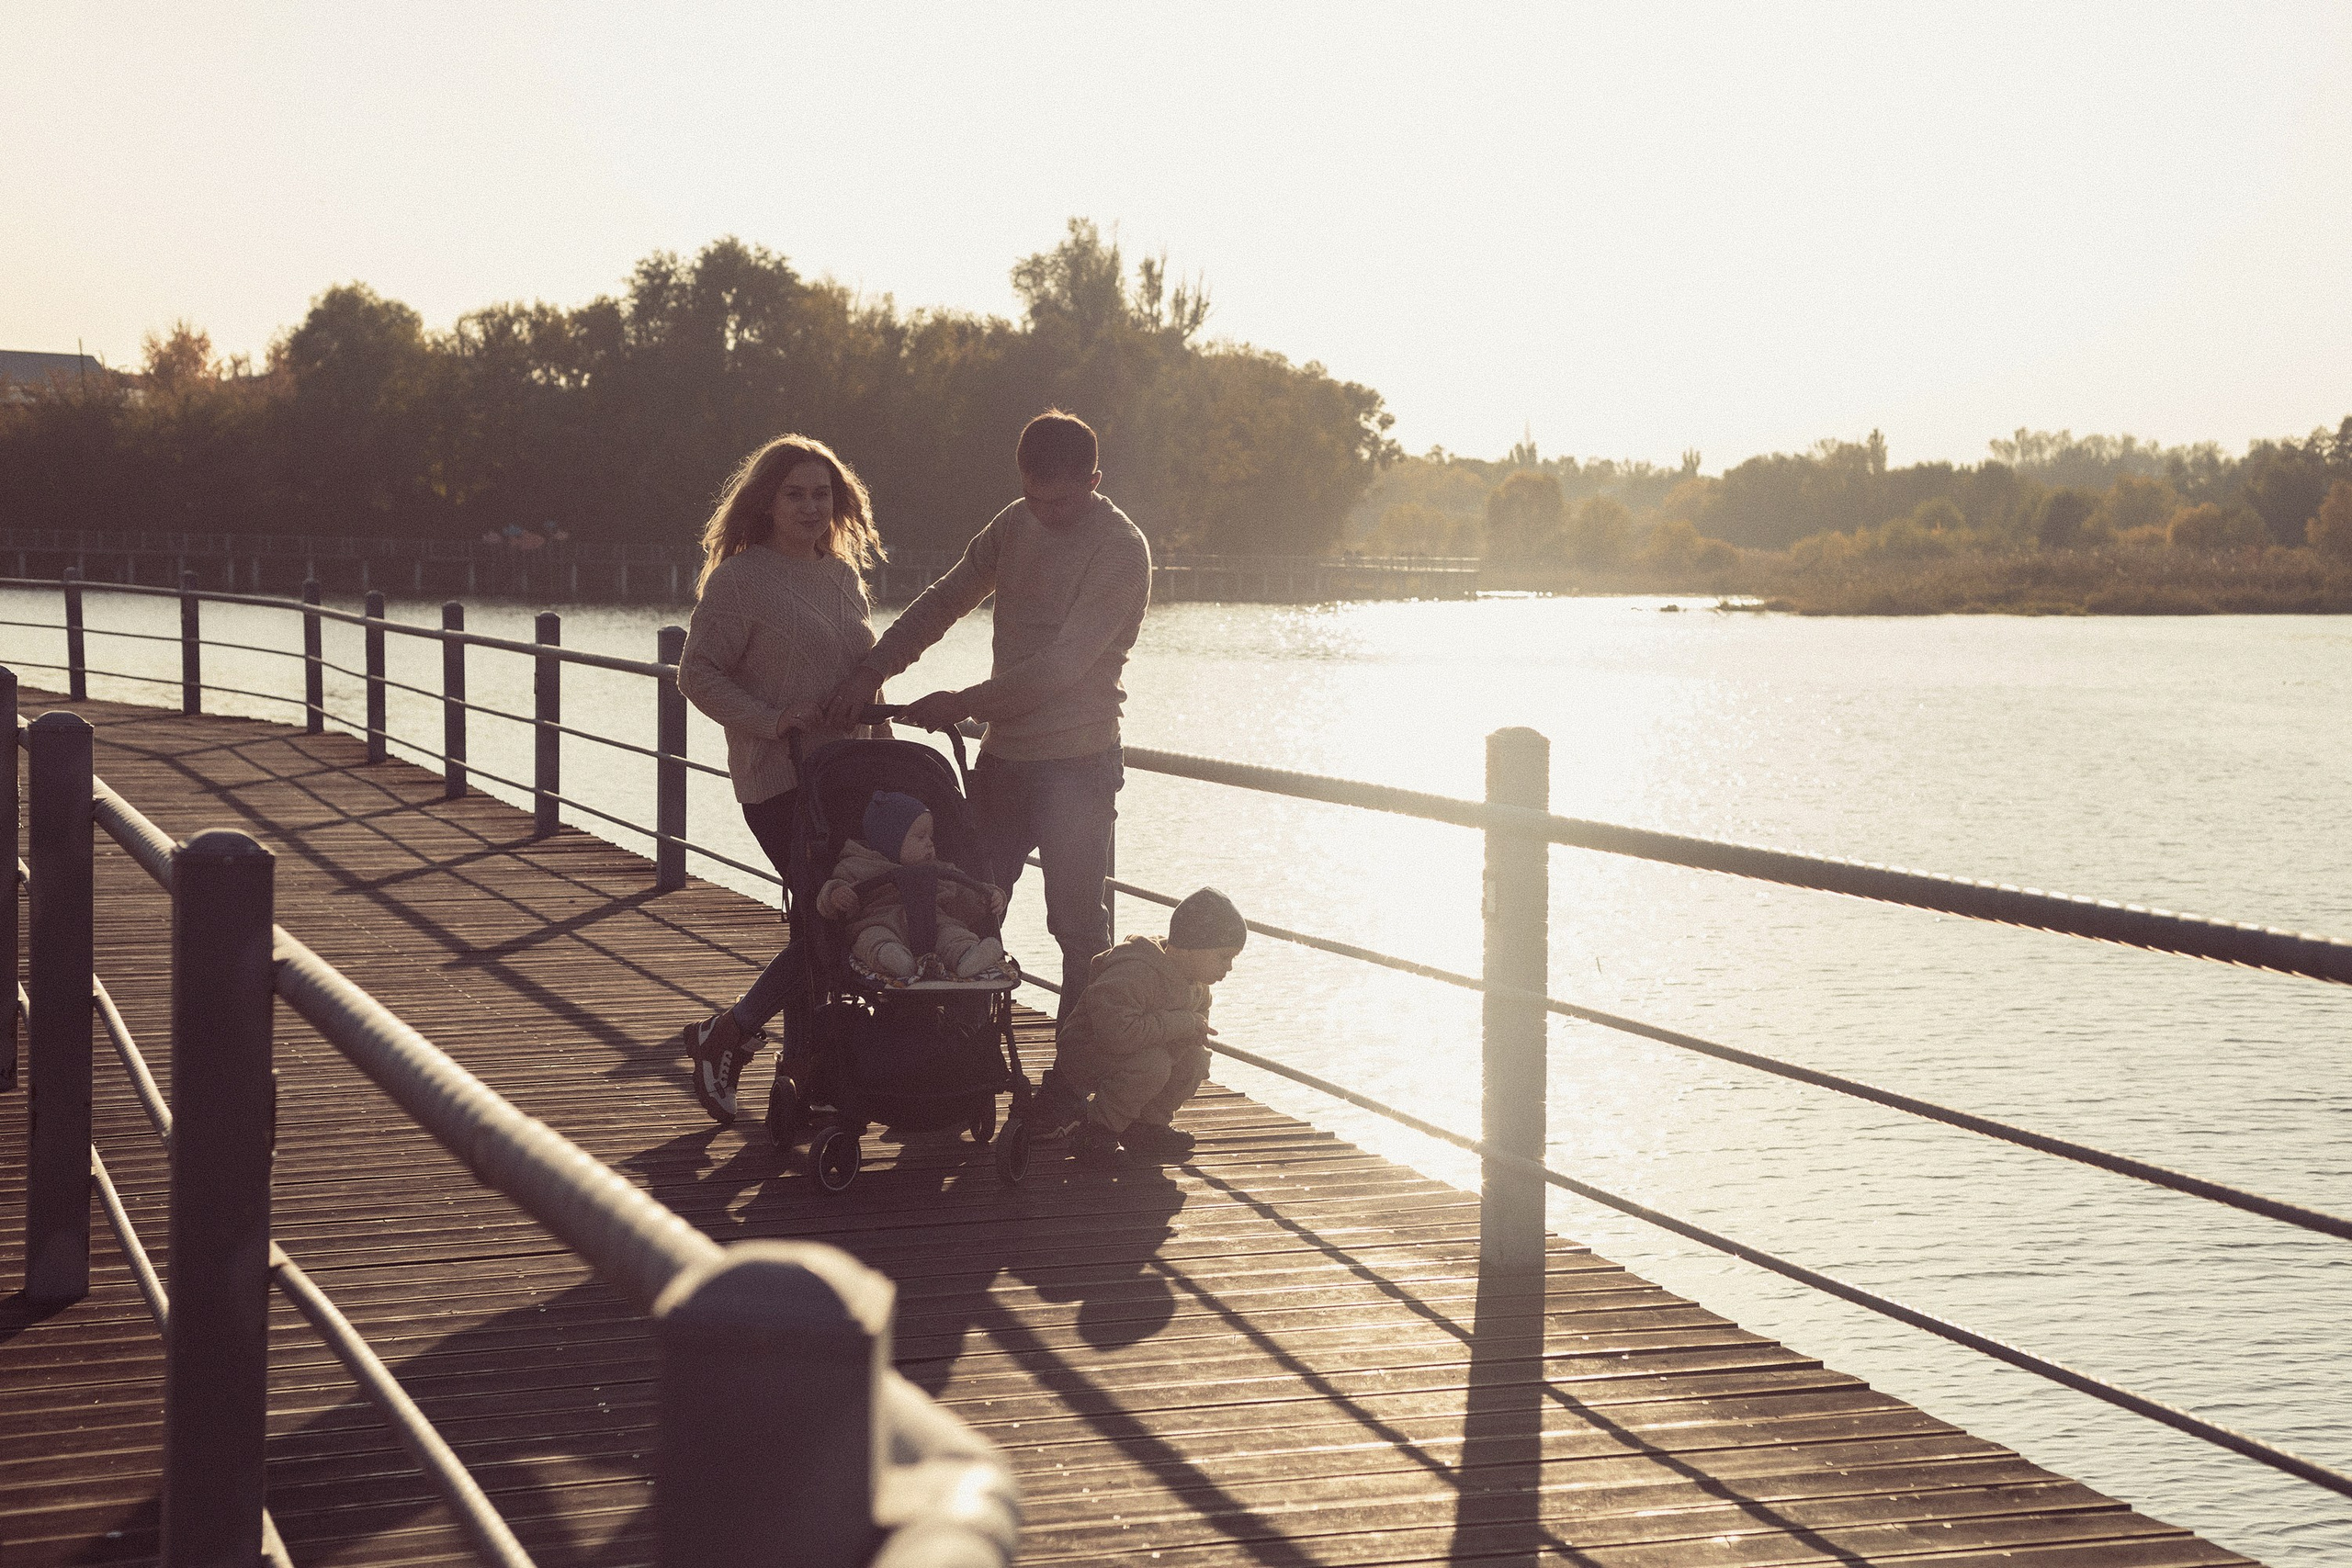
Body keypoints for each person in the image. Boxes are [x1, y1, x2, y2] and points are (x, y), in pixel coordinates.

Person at [821, 409, 1150, 1137]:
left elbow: (1064, 668)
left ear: (1094, 482)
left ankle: (1068, 1084)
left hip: (1078, 763)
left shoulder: (1122, 549)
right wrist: (875, 667)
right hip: (1004, 761)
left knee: (1076, 927)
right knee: (962, 906)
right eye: (1033, 496)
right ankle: (953, 1066)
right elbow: (945, 599)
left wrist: (963, 703)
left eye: (1061, 500)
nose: (1045, 512)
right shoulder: (1015, 523)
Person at [674, 434, 887, 1123]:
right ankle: (735, 1037)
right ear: (766, 502)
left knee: (818, 922)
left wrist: (884, 751)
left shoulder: (841, 575)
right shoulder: (742, 580)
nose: (809, 506)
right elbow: (696, 674)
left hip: (851, 778)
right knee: (824, 926)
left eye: (821, 493)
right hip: (780, 779)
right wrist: (769, 719)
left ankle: (787, 1077)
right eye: (794, 493)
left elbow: (863, 675)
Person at [1055, 887, 1247, 1166]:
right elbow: (1115, 1035)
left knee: (1194, 1059)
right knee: (1152, 1064)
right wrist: (1181, 1024)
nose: (1228, 967)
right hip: (1087, 1050)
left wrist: (1191, 1035)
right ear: (1192, 948)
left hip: (1138, 1049)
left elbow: (1192, 1023)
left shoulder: (1198, 986)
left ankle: (1148, 1127)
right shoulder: (1136, 971)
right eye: (1223, 956)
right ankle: (1097, 1131)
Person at [818, 790, 1009, 981]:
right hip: (880, 920)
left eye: (930, 837)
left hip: (932, 921)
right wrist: (836, 895)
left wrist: (987, 896)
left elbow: (966, 893)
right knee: (870, 937)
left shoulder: (941, 870)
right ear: (890, 840)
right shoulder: (858, 865)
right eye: (920, 837)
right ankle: (890, 958)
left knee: (953, 931)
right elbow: (833, 891)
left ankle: (967, 955)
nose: (930, 844)